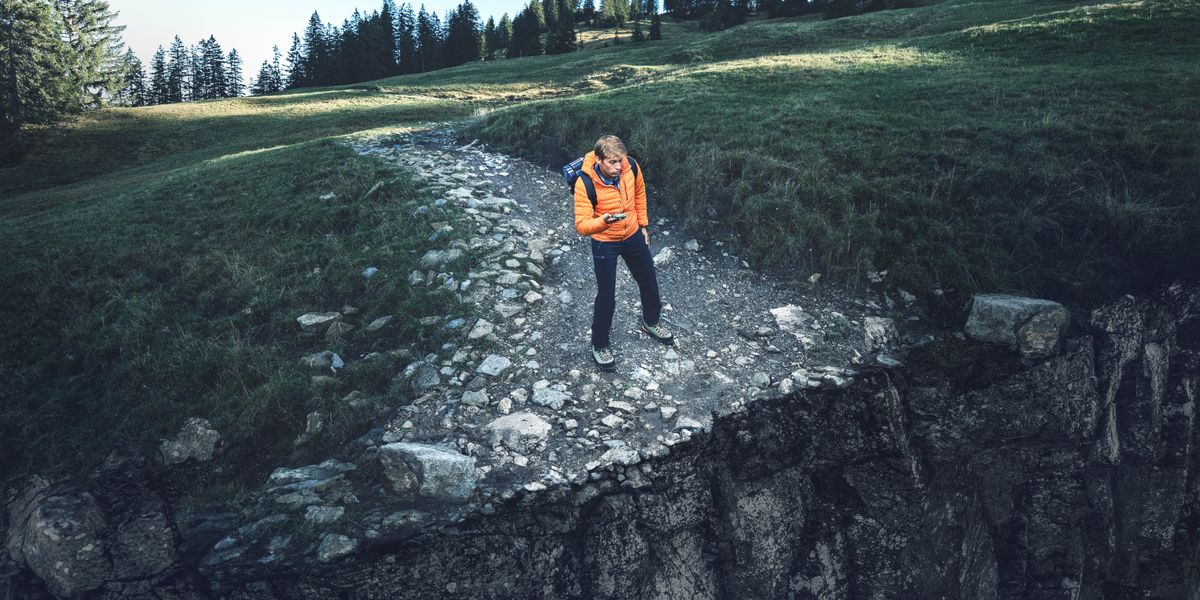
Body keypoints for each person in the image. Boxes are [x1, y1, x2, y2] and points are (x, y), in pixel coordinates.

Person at [573, 135, 673, 369]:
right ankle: (599, 344)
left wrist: (643, 225)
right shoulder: (584, 183)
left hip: (632, 234)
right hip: (604, 241)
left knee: (648, 279)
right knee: (606, 295)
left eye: (621, 160)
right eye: (613, 162)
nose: (619, 166)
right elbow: (582, 225)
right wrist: (603, 221)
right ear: (599, 160)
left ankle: (651, 322)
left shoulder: (631, 167)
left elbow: (639, 193)